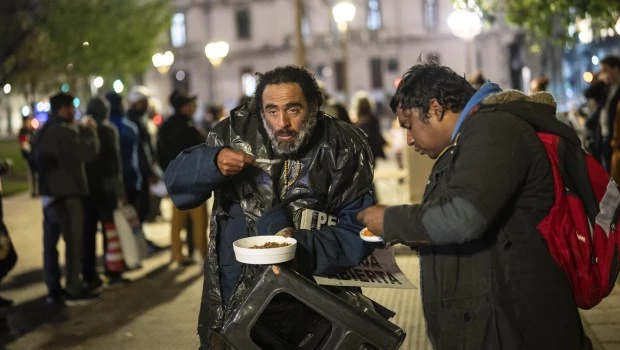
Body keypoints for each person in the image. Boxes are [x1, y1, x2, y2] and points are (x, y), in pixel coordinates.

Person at [357, 62, 591, 349]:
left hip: (518, 326)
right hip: (499, 321)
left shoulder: (494, 130)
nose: (408, 139)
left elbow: (464, 217)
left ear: (435, 108)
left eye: (409, 125)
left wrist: (390, 220)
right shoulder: (474, 136)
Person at [164, 65, 377, 349]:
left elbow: (361, 229)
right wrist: (212, 163)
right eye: (272, 111)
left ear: (315, 105)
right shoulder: (232, 134)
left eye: (293, 109)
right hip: (237, 295)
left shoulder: (342, 146)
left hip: (316, 304)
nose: (282, 123)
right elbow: (178, 184)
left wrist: (300, 247)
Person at [32, 92, 100, 305]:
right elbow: (88, 152)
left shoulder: (42, 132)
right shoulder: (64, 132)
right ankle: (73, 288)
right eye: (71, 108)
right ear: (63, 109)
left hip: (49, 196)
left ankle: (53, 288)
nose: (74, 112)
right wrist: (90, 132)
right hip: (67, 194)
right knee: (73, 243)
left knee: (50, 244)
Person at [157, 90, 208, 266]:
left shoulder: (165, 126)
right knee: (199, 219)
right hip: (193, 180)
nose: (194, 108)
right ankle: (203, 254)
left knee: (177, 219)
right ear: (183, 107)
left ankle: (177, 252)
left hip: (175, 178)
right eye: (191, 105)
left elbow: (160, 154)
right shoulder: (189, 128)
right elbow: (203, 150)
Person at [82, 97, 128, 287]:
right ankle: (113, 270)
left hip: (87, 189)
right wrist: (120, 192)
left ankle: (89, 273)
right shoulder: (109, 130)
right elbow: (115, 164)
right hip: (106, 188)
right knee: (110, 232)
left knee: (88, 233)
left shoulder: (83, 129)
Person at [126, 87, 165, 252]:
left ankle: (140, 242)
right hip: (140, 173)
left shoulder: (139, 119)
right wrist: (149, 172)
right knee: (140, 208)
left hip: (140, 172)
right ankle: (138, 244)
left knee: (143, 208)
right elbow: (141, 150)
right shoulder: (135, 121)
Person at [587, 56, 620, 172]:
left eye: (605, 70)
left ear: (615, 69)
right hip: (602, 136)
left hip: (615, 139)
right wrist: (599, 80)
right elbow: (588, 93)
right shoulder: (606, 88)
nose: (603, 74)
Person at [17, 116, 38, 197]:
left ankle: (37, 190)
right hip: (28, 156)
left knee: (36, 174)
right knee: (31, 173)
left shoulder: (33, 131)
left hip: (35, 155)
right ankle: (33, 191)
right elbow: (23, 144)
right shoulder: (23, 131)